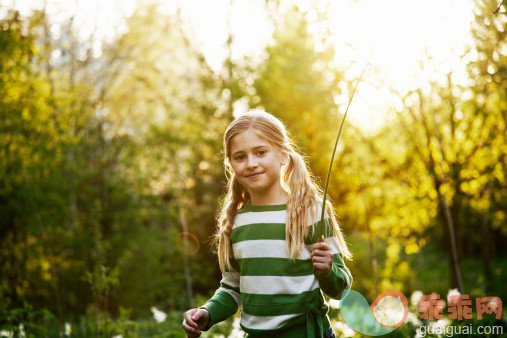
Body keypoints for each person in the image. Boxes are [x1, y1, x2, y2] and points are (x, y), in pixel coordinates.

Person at [182, 110, 353, 337]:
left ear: (283, 155)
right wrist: (207, 313)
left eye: (261, 152)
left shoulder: (310, 213)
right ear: (230, 163)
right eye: (240, 157)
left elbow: (341, 289)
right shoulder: (236, 222)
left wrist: (328, 270)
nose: (251, 163)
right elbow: (233, 288)